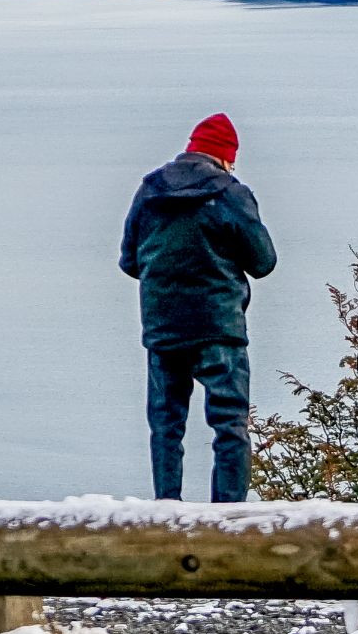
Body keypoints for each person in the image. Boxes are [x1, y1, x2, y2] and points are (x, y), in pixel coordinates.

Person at [118, 113, 277, 502]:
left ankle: (166, 508)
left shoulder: (150, 190)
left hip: (163, 326)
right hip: (218, 325)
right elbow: (263, 262)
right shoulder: (230, 193)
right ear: (225, 157)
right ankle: (227, 516)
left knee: (166, 425)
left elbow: (129, 260)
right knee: (229, 425)